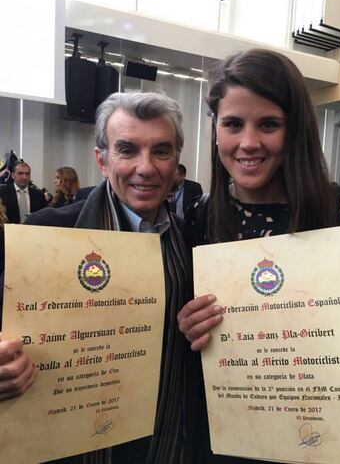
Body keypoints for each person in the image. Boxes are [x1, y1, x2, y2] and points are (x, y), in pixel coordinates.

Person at [177, 48, 340, 463]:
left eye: (269, 125)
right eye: (233, 124)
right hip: (225, 435)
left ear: (294, 131)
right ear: (216, 130)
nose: (248, 143)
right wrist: (185, 324)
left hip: (321, 435)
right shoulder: (197, 218)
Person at [1, 91, 199, 464]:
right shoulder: (50, 234)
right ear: (102, 160)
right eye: (127, 150)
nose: (146, 167)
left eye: (161, 151)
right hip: (72, 447)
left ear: (176, 162)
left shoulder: (191, 240)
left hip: (165, 441)